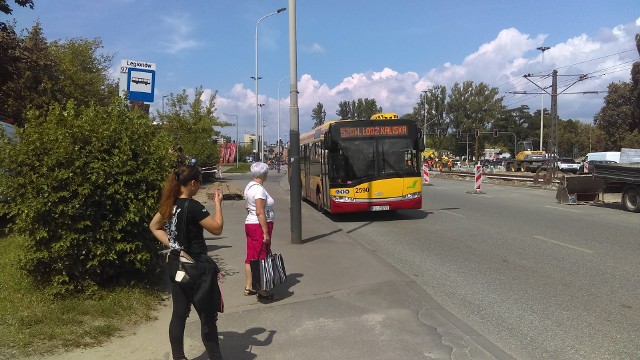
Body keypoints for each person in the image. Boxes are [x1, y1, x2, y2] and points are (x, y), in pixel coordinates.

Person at [149, 165, 224, 360]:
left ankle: (179, 357)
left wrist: (174, 244)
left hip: (177, 265)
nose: (199, 186)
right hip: (197, 267)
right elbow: (216, 229)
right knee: (208, 318)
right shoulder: (194, 206)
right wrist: (218, 205)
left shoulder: (170, 204)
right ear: (192, 183)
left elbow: (154, 226)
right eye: (199, 182)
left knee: (179, 314)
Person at [243, 162, 276, 300]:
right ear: (263, 174)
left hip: (250, 224)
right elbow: (260, 212)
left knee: (251, 256)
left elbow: (248, 206)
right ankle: (262, 290)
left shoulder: (249, 187)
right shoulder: (259, 190)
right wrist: (265, 232)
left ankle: (249, 286)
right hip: (259, 226)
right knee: (261, 257)